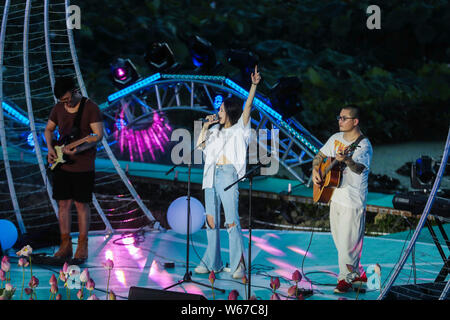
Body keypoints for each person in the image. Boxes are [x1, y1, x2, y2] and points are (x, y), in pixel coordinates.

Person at [194, 66, 261, 279]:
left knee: (231, 221)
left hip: (228, 175)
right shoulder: (214, 130)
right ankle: (212, 262)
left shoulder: (240, 127)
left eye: (221, 110)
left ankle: (237, 264)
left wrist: (253, 85)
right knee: (211, 221)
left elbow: (248, 106)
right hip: (210, 176)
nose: (218, 113)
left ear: (230, 111)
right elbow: (200, 147)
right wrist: (205, 127)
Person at [311, 105, 373, 293]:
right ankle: (357, 273)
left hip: (353, 200)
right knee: (340, 242)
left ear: (355, 121)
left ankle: (344, 280)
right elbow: (319, 156)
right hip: (335, 195)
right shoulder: (335, 138)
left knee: (349, 243)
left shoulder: (364, 145)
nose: (340, 120)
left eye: (344, 118)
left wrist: (347, 160)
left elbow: (359, 168)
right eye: (339, 117)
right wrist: (316, 170)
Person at [44, 76, 103, 262]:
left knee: (81, 205)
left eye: (68, 98)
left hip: (83, 166)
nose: (66, 102)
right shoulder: (58, 108)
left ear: (75, 90)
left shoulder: (90, 107)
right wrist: (50, 148)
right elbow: (48, 129)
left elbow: (98, 136)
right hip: (61, 164)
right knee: (63, 204)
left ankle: (82, 247)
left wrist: (80, 148)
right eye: (62, 100)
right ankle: (65, 245)